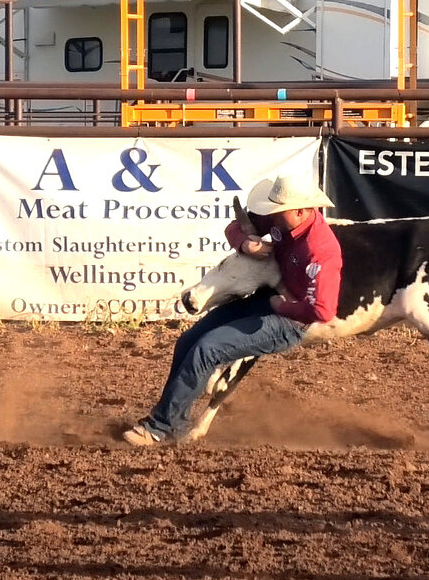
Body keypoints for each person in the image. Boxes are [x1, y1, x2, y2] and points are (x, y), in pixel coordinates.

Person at [121, 175, 343, 446]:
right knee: (188, 341)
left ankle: (161, 428)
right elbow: (235, 227)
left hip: (291, 321)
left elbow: (322, 309)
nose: (270, 216)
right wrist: (246, 243)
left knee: (207, 348)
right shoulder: (281, 220)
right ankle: (170, 420)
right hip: (266, 300)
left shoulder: (321, 250)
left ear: (300, 211)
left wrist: (281, 305)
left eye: (277, 210)